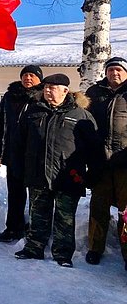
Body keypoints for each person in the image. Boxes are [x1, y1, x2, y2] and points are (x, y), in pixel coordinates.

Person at [15, 74, 101, 267]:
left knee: (65, 219)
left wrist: (92, 174)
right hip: (37, 173)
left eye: (53, 87)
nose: (47, 91)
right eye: (46, 87)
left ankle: (62, 254)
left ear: (65, 91)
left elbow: (94, 148)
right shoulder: (33, 111)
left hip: (68, 175)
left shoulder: (80, 115)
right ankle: (34, 248)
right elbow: (19, 141)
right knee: (38, 214)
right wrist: (19, 166)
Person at [0, 65, 43, 242]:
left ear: (39, 79)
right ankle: (13, 227)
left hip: (36, 156)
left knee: (37, 195)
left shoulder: (45, 95)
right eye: (25, 75)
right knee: (14, 193)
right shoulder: (10, 96)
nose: (28, 78)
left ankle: (36, 230)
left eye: (32, 75)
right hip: (13, 153)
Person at [84, 56, 127, 270]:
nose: (114, 73)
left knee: (126, 211)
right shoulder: (94, 93)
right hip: (100, 160)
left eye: (119, 70)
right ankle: (94, 247)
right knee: (98, 206)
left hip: (125, 163)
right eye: (110, 70)